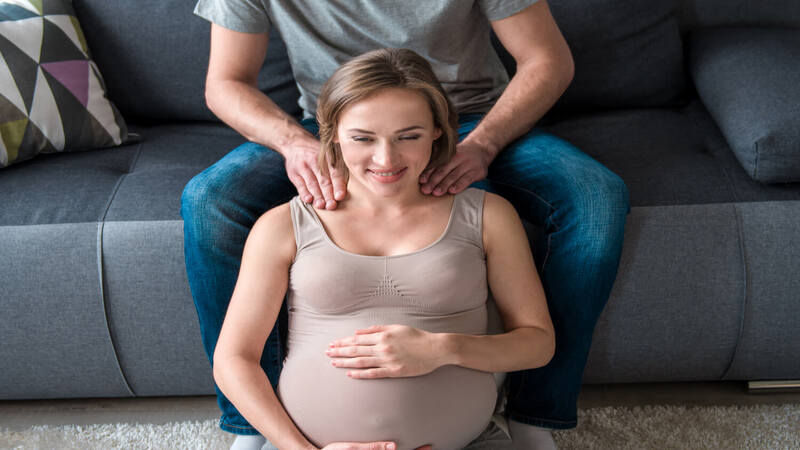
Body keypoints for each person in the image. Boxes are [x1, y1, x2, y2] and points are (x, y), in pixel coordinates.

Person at [182, 1, 631, 450]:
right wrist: (295, 144)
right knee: (207, 200)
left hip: (475, 116)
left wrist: (484, 144)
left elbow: (546, 59)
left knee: (596, 198)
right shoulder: (313, 178)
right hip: (334, 121)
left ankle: (536, 413)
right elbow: (225, 83)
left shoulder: (480, 200)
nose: (386, 162)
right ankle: (256, 420)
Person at [213, 47, 555, 450]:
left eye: (408, 136)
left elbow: (537, 343)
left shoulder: (489, 216)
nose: (386, 158)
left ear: (438, 130)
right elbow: (234, 360)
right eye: (362, 138)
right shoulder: (283, 226)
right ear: (333, 134)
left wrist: (440, 349)